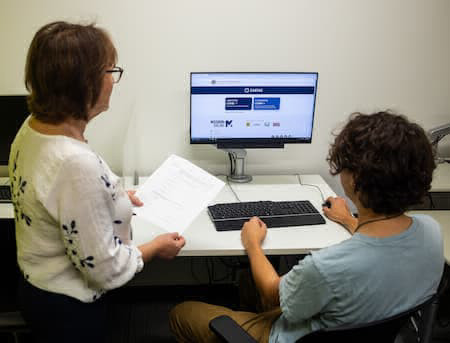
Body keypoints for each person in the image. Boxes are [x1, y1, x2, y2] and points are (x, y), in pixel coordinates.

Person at [169, 111, 444, 342]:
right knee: (244, 281)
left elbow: (271, 295)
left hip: (293, 334)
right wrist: (349, 219)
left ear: (355, 180)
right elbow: (381, 239)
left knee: (182, 313)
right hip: (362, 325)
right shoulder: (431, 232)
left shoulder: (327, 265)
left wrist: (252, 243)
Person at [9, 21, 185, 343]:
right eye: (109, 71)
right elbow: (105, 269)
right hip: (69, 308)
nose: (113, 81)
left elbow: (59, 197)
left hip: (37, 284)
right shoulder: (75, 163)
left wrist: (113, 196)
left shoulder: (33, 127)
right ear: (83, 84)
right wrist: (156, 247)